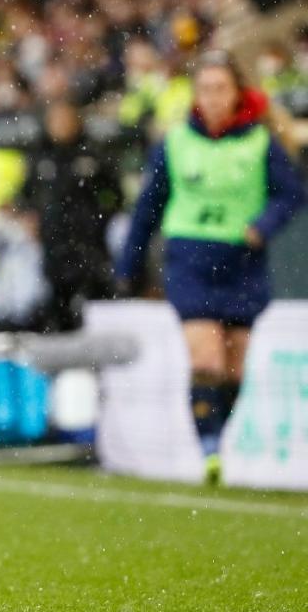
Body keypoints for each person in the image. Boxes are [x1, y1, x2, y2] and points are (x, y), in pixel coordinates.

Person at [116, 49, 305, 483]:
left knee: (235, 368)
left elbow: (291, 194)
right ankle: (209, 447)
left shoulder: (261, 142)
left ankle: (217, 432)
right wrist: (129, 263)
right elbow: (149, 206)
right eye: (206, 89)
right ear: (195, 95)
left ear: (237, 92)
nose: (214, 98)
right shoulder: (176, 141)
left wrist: (263, 225)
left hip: (242, 261)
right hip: (190, 259)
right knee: (207, 359)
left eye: (221, 89)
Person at [24, 100, 123, 331]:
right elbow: (26, 197)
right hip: (53, 246)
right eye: (55, 120)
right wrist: (30, 218)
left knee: (95, 309)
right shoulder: (40, 158)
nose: (60, 126)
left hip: (89, 246)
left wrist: (100, 219)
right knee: (56, 308)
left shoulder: (92, 155)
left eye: (65, 119)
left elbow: (114, 195)